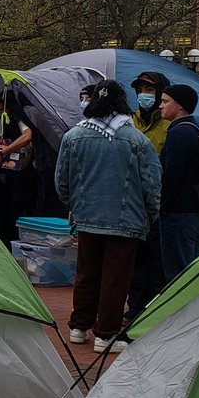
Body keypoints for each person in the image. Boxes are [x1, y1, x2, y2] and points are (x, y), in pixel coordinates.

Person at [55, 79, 161, 354]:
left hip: (87, 217)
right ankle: (106, 333)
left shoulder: (73, 136)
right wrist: (151, 215)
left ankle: (79, 327)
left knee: (86, 273)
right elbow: (151, 183)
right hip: (126, 220)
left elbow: (62, 182)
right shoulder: (137, 139)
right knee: (116, 278)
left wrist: (75, 206)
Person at [158, 83, 199, 282]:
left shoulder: (180, 133)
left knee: (178, 274)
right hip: (192, 209)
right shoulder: (194, 129)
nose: (160, 106)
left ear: (180, 106)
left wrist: (163, 205)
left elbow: (172, 175)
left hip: (179, 213)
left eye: (165, 101)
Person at [0, 92, 33, 245]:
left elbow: (27, 136)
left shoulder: (20, 119)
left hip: (19, 174)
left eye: (2, 110)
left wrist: (3, 152)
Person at [131, 70, 171, 152]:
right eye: (139, 91)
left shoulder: (170, 122)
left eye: (149, 90)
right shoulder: (131, 119)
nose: (143, 94)